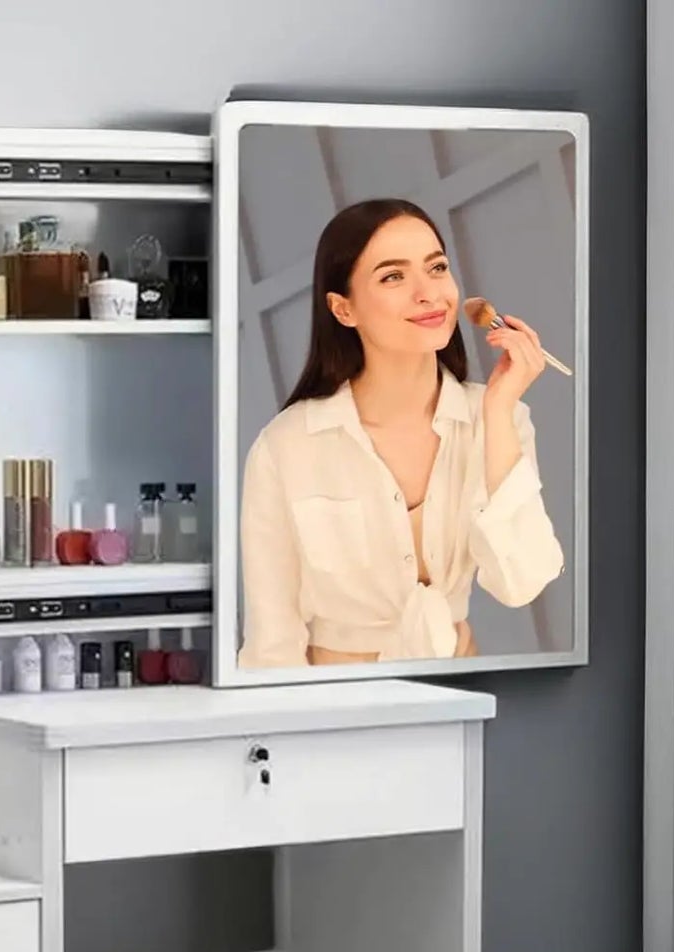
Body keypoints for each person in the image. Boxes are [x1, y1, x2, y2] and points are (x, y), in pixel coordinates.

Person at [237, 198, 565, 668]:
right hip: (335, 712)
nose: (428, 293)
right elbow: (272, 641)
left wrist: (497, 410)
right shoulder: (286, 446)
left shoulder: (500, 419)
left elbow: (522, 581)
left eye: (437, 268)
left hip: (458, 695)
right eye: (393, 276)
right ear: (343, 309)